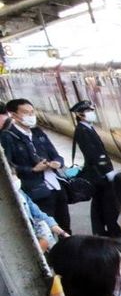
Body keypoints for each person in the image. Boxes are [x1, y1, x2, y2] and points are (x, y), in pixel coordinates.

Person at [1, 98, 70, 234]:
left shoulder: (38, 132)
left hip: (56, 186)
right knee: (46, 229)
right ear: (13, 115)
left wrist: (57, 162)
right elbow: (6, 167)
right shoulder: (7, 137)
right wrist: (33, 169)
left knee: (64, 225)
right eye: (26, 113)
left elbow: (55, 154)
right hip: (35, 190)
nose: (31, 116)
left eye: (32, 112)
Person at [70, 100, 120, 238]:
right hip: (99, 174)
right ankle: (111, 228)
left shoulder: (86, 128)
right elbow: (94, 154)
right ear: (80, 115)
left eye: (91, 110)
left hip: (96, 173)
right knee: (109, 202)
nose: (91, 113)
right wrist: (108, 171)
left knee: (100, 202)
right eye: (88, 111)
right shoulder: (83, 130)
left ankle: (100, 229)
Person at [8, 168, 68, 250]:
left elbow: (39, 214)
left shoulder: (21, 193)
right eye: (12, 175)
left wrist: (62, 233)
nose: (16, 179)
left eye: (15, 175)